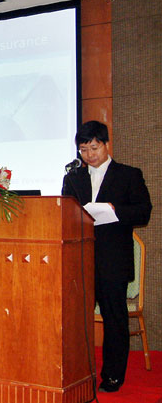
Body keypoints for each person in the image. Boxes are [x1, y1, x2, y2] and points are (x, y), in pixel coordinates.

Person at [62, 121, 152, 392]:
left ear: (106, 144)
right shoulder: (73, 178)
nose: (89, 155)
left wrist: (114, 210)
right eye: (83, 150)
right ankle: (78, 371)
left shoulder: (128, 175)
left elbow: (143, 212)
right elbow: (66, 213)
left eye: (94, 148)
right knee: (76, 319)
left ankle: (113, 375)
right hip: (80, 260)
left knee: (114, 319)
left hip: (113, 259)